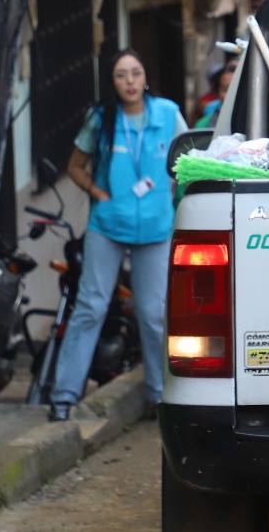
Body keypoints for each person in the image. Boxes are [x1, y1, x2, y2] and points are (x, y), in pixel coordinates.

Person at [49, 49, 188, 422]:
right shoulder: (100, 119)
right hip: (108, 225)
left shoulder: (167, 113)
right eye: (121, 75)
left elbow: (188, 161)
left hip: (156, 227)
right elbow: (75, 167)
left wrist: (172, 190)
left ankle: (161, 398)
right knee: (91, 307)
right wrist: (99, 194)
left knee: (153, 314)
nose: (130, 82)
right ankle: (63, 396)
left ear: (145, 78)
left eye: (136, 73)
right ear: (112, 82)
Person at [193, 60, 236, 129]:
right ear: (216, 92)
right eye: (226, 90)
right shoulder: (203, 125)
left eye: (238, 89)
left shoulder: (257, 122)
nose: (233, 95)